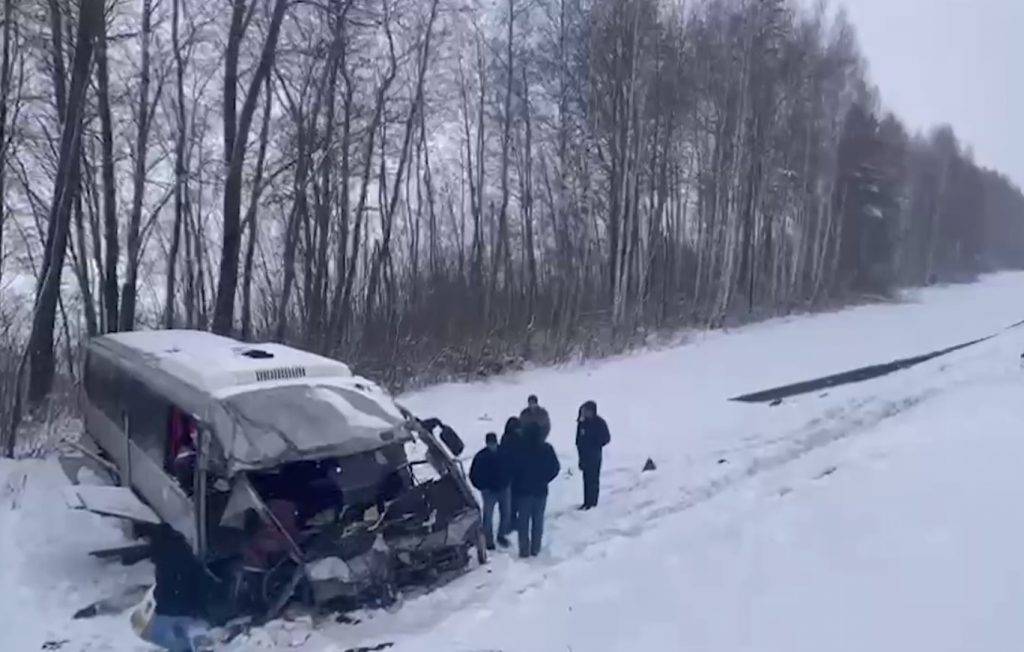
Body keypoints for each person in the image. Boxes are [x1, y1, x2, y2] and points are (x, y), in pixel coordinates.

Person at [142, 524, 212, 652]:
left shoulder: (164, 556)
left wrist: (159, 599)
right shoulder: (183, 550)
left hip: (172, 606)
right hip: (187, 605)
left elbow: (166, 583)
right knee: (180, 634)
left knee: (158, 634)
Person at [510, 421, 560, 558]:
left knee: (523, 523)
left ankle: (524, 550)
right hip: (540, 491)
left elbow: (513, 470)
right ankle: (536, 548)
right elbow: (555, 468)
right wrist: (545, 479)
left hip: (523, 491)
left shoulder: (519, 449)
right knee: (538, 522)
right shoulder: (547, 448)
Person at [469, 433, 512, 549]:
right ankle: (488, 541)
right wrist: (482, 487)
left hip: (504, 489)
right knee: (488, 517)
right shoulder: (480, 457)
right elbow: (473, 474)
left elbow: (512, 467)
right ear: (486, 443)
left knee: (506, 514)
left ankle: (501, 536)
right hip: (489, 492)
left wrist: (508, 481)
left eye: (493, 443)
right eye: (489, 443)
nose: (491, 445)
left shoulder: (504, 453)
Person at [576, 400, 611, 510]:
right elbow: (578, 439)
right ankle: (586, 501)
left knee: (593, 478)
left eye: (586, 411)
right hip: (584, 454)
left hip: (595, 454)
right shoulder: (582, 423)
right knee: (586, 478)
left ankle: (593, 502)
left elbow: (606, 438)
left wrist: (595, 443)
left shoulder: (599, 423)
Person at [499, 417, 524, 526]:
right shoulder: (517, 438)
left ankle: (511, 518)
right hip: (514, 472)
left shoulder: (506, 438)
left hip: (511, 472)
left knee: (512, 497)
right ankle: (512, 518)